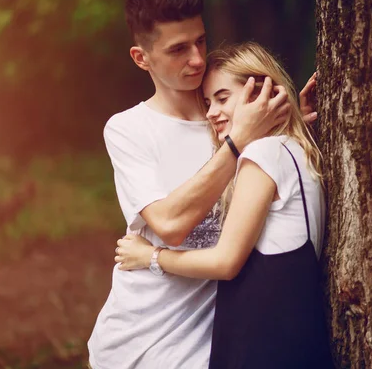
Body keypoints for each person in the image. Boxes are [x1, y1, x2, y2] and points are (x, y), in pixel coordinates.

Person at [87, 0, 306, 369]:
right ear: (142, 58)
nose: (197, 59)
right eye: (178, 49)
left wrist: (293, 125)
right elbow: (171, 224)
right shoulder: (128, 129)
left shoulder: (227, 112)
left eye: (201, 41)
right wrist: (238, 141)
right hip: (138, 342)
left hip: (211, 345)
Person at [115, 42, 333, 368]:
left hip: (261, 346)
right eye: (207, 102)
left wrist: (151, 256)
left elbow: (225, 262)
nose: (211, 112)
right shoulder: (298, 150)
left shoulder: (262, 156)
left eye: (222, 98)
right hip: (295, 338)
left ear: (259, 93)